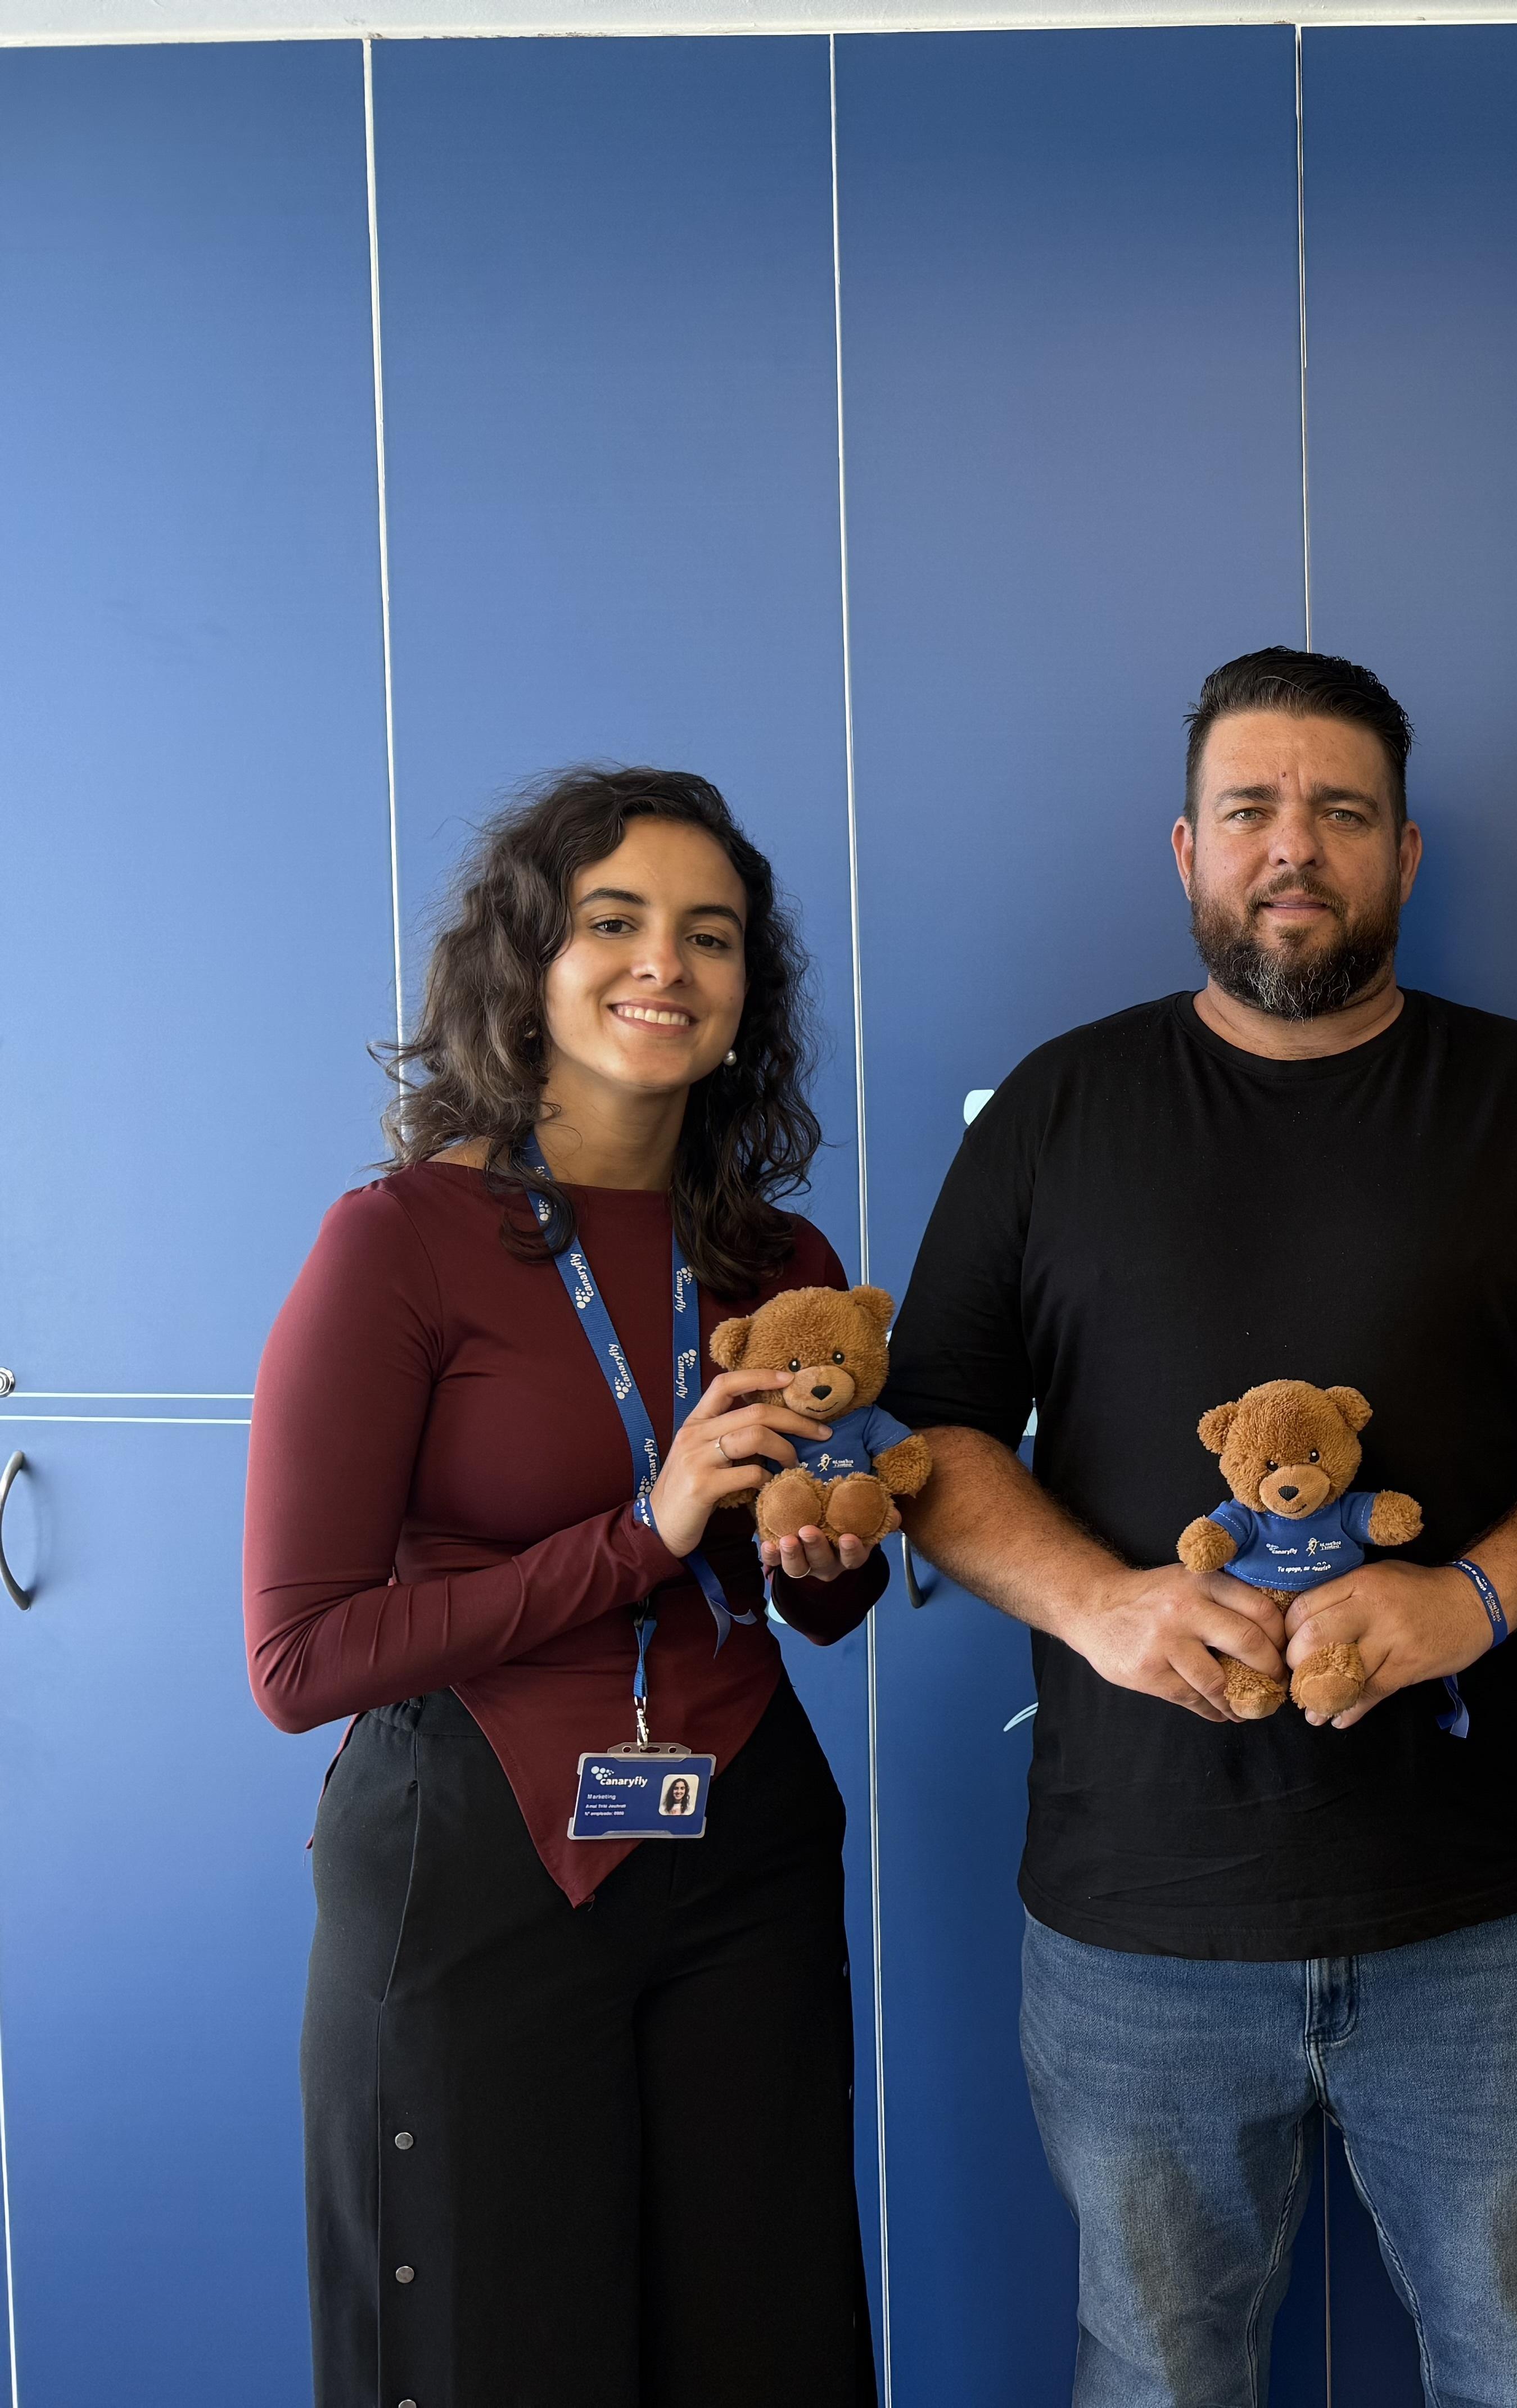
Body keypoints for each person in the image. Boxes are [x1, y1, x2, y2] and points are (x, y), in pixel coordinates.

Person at [879, 646, 1517, 2408]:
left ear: (1407, 855)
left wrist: (1471, 1600)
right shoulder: (1057, 1109)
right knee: (1156, 2379)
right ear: (1183, 846)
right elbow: (933, 1436)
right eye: (1252, 807)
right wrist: (1105, 1607)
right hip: (1136, 1928)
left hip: (1494, 1918)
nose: (1294, 846)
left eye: (1342, 810)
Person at [245, 768, 891, 2406]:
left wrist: (824, 1561)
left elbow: (797, 1596)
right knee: (491, 2355)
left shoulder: (784, 1267)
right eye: (612, 922)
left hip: (742, 1854)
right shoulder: (397, 1241)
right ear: (530, 959)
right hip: (472, 1869)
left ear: (749, 996)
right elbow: (301, 1655)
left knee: (766, 2352)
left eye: (711, 934)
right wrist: (643, 1531)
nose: (663, 963)